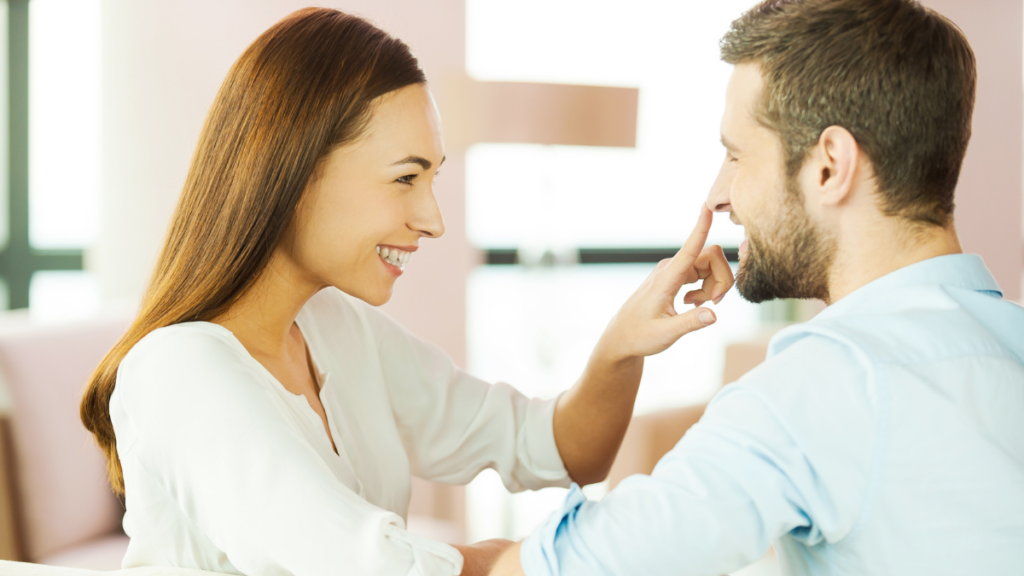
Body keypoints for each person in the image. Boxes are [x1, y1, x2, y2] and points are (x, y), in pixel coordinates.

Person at [78, 8, 734, 576]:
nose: (433, 219)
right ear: (299, 174)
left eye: (434, 178)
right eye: (404, 179)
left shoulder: (338, 328)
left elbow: (558, 449)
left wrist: (624, 342)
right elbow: (367, 567)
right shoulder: (179, 368)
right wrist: (545, 557)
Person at [476, 0, 1024, 574]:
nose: (719, 195)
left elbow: (574, 568)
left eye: (737, 155)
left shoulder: (830, 379)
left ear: (830, 166)